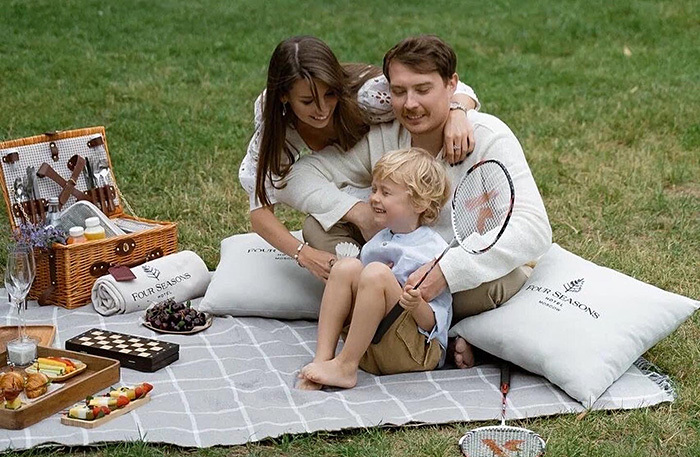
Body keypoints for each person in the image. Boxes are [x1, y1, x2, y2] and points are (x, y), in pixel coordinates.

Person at [277, 35, 552, 369]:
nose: (410, 104)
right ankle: (399, 314)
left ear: (451, 85)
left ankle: (449, 330)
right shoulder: (386, 135)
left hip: (459, 278)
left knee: (500, 282)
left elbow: (535, 229)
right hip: (396, 274)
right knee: (318, 226)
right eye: (399, 91)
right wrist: (360, 213)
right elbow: (293, 178)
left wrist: (446, 272)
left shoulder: (488, 136)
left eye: (423, 90)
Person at [237, 36, 481, 282]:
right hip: (358, 187)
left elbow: (446, 85)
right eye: (307, 101)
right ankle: (369, 282)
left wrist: (457, 112)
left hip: (399, 174)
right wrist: (305, 254)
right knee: (318, 224)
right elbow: (260, 211)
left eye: (330, 94)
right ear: (284, 97)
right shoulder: (276, 131)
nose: (322, 109)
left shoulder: (368, 95)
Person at [297, 148, 452, 390]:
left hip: (413, 352)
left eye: (385, 192)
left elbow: (434, 323)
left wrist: (416, 303)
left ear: (419, 203)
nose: (374, 198)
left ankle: (346, 367)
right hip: (372, 347)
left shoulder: (433, 251)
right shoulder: (377, 241)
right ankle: (323, 359)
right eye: (374, 189)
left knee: (376, 273)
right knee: (346, 267)